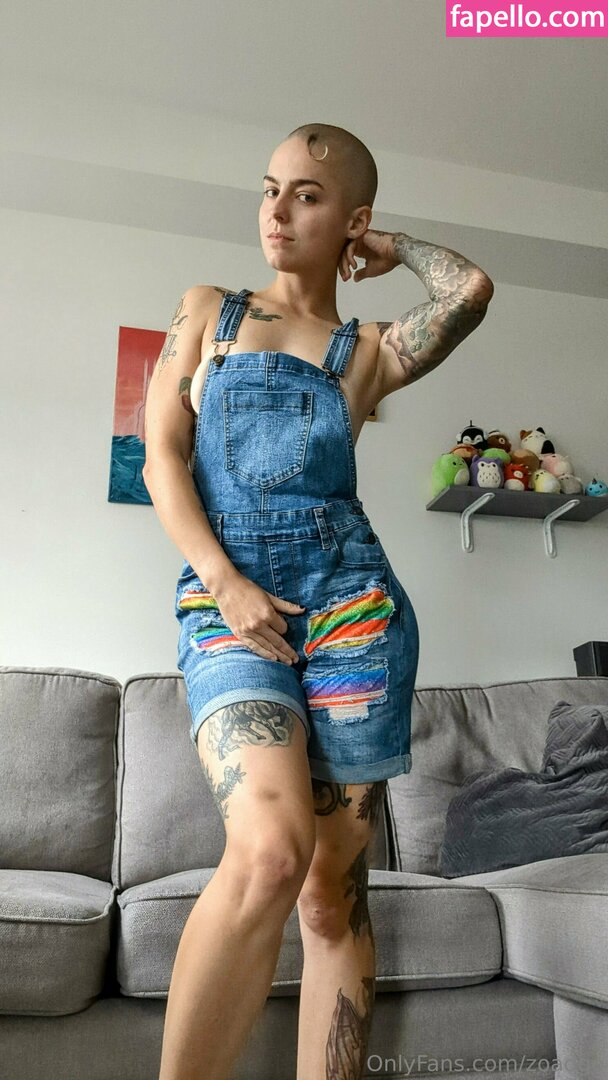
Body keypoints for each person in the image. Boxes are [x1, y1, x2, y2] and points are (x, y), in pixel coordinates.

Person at [143, 122, 494, 1080]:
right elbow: (162, 458)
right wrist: (225, 583)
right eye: (270, 188)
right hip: (228, 604)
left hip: (354, 612)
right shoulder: (207, 313)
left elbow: (468, 290)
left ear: (353, 219)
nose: (277, 210)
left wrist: (391, 248)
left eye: (306, 194)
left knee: (330, 898)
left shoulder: (366, 351)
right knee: (270, 851)